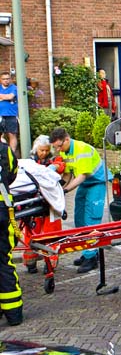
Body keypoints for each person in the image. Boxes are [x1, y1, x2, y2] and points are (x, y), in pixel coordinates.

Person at [49, 127, 108, 273]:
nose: (58, 150)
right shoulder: (65, 151)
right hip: (85, 184)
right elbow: (68, 174)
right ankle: (86, 252)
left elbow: (82, 176)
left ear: (67, 140)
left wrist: (66, 190)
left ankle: (91, 257)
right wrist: (59, 187)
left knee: (91, 220)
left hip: (96, 183)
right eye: (56, 147)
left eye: (59, 146)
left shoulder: (82, 149)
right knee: (79, 218)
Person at [20, 135, 65, 273]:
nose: (44, 153)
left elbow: (61, 166)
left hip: (49, 202)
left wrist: (53, 166)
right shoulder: (29, 162)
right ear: (36, 150)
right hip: (33, 201)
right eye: (41, 150)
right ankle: (30, 262)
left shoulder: (53, 160)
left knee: (52, 234)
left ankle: (50, 264)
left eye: (46, 150)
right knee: (31, 234)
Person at [0, 136, 22, 326]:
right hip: (3, 210)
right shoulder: (4, 149)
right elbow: (12, 173)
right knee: (3, 260)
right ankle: (13, 314)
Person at [0, 72, 19, 154]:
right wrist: (5, 97)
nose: (6, 81)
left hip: (11, 115)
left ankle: (12, 155)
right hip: (0, 115)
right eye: (4, 79)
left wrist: (3, 98)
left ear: (10, 79)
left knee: (12, 135)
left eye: (7, 79)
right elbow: (7, 97)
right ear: (0, 80)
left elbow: (10, 96)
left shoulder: (14, 88)